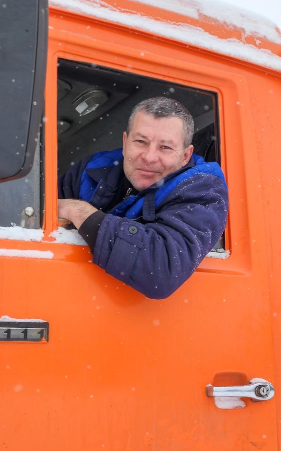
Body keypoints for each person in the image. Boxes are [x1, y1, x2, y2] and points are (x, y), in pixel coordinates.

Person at [58, 97, 228, 299]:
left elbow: (161, 269)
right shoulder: (93, 169)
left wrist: (79, 212)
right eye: (140, 142)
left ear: (185, 155)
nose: (149, 157)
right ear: (125, 142)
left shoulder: (203, 189)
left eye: (165, 147)